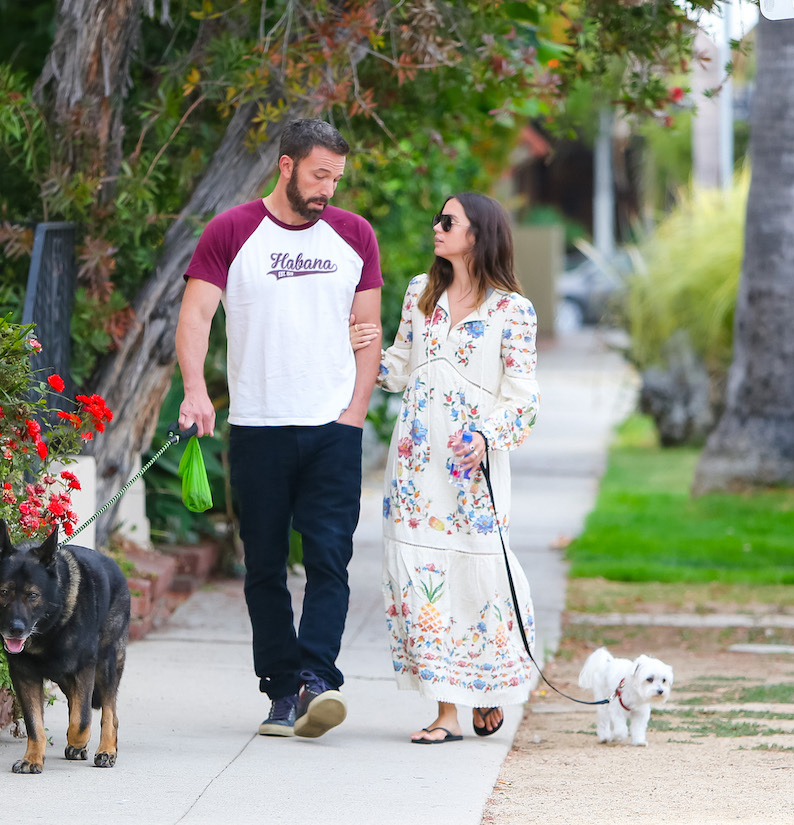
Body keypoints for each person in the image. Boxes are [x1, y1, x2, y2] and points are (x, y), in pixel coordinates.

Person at [176, 118, 382, 739]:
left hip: (332, 429)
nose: (328, 189)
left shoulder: (355, 235)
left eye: (336, 178)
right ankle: (281, 690)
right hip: (259, 426)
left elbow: (368, 332)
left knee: (330, 559)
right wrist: (194, 390)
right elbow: (196, 316)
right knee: (263, 565)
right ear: (286, 166)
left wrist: (354, 412)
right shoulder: (231, 230)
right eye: (319, 175)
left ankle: (318, 680)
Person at [351, 193, 540, 743]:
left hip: (470, 467)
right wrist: (358, 347)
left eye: (448, 221)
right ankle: (446, 713)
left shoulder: (513, 311)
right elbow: (398, 368)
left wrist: (485, 436)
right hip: (415, 467)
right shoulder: (420, 292)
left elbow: (523, 399)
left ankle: (486, 682)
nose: (436, 227)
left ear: (477, 234)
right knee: (424, 581)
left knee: (478, 576)